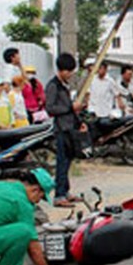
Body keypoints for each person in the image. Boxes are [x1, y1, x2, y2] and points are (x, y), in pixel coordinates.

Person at [45, 53, 87, 208]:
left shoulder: (64, 86)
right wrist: (71, 107)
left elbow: (70, 110)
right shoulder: (53, 86)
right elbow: (50, 108)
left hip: (70, 128)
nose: (70, 75)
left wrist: (79, 122)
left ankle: (65, 191)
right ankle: (59, 196)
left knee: (67, 162)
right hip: (61, 129)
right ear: (61, 70)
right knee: (62, 163)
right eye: (68, 71)